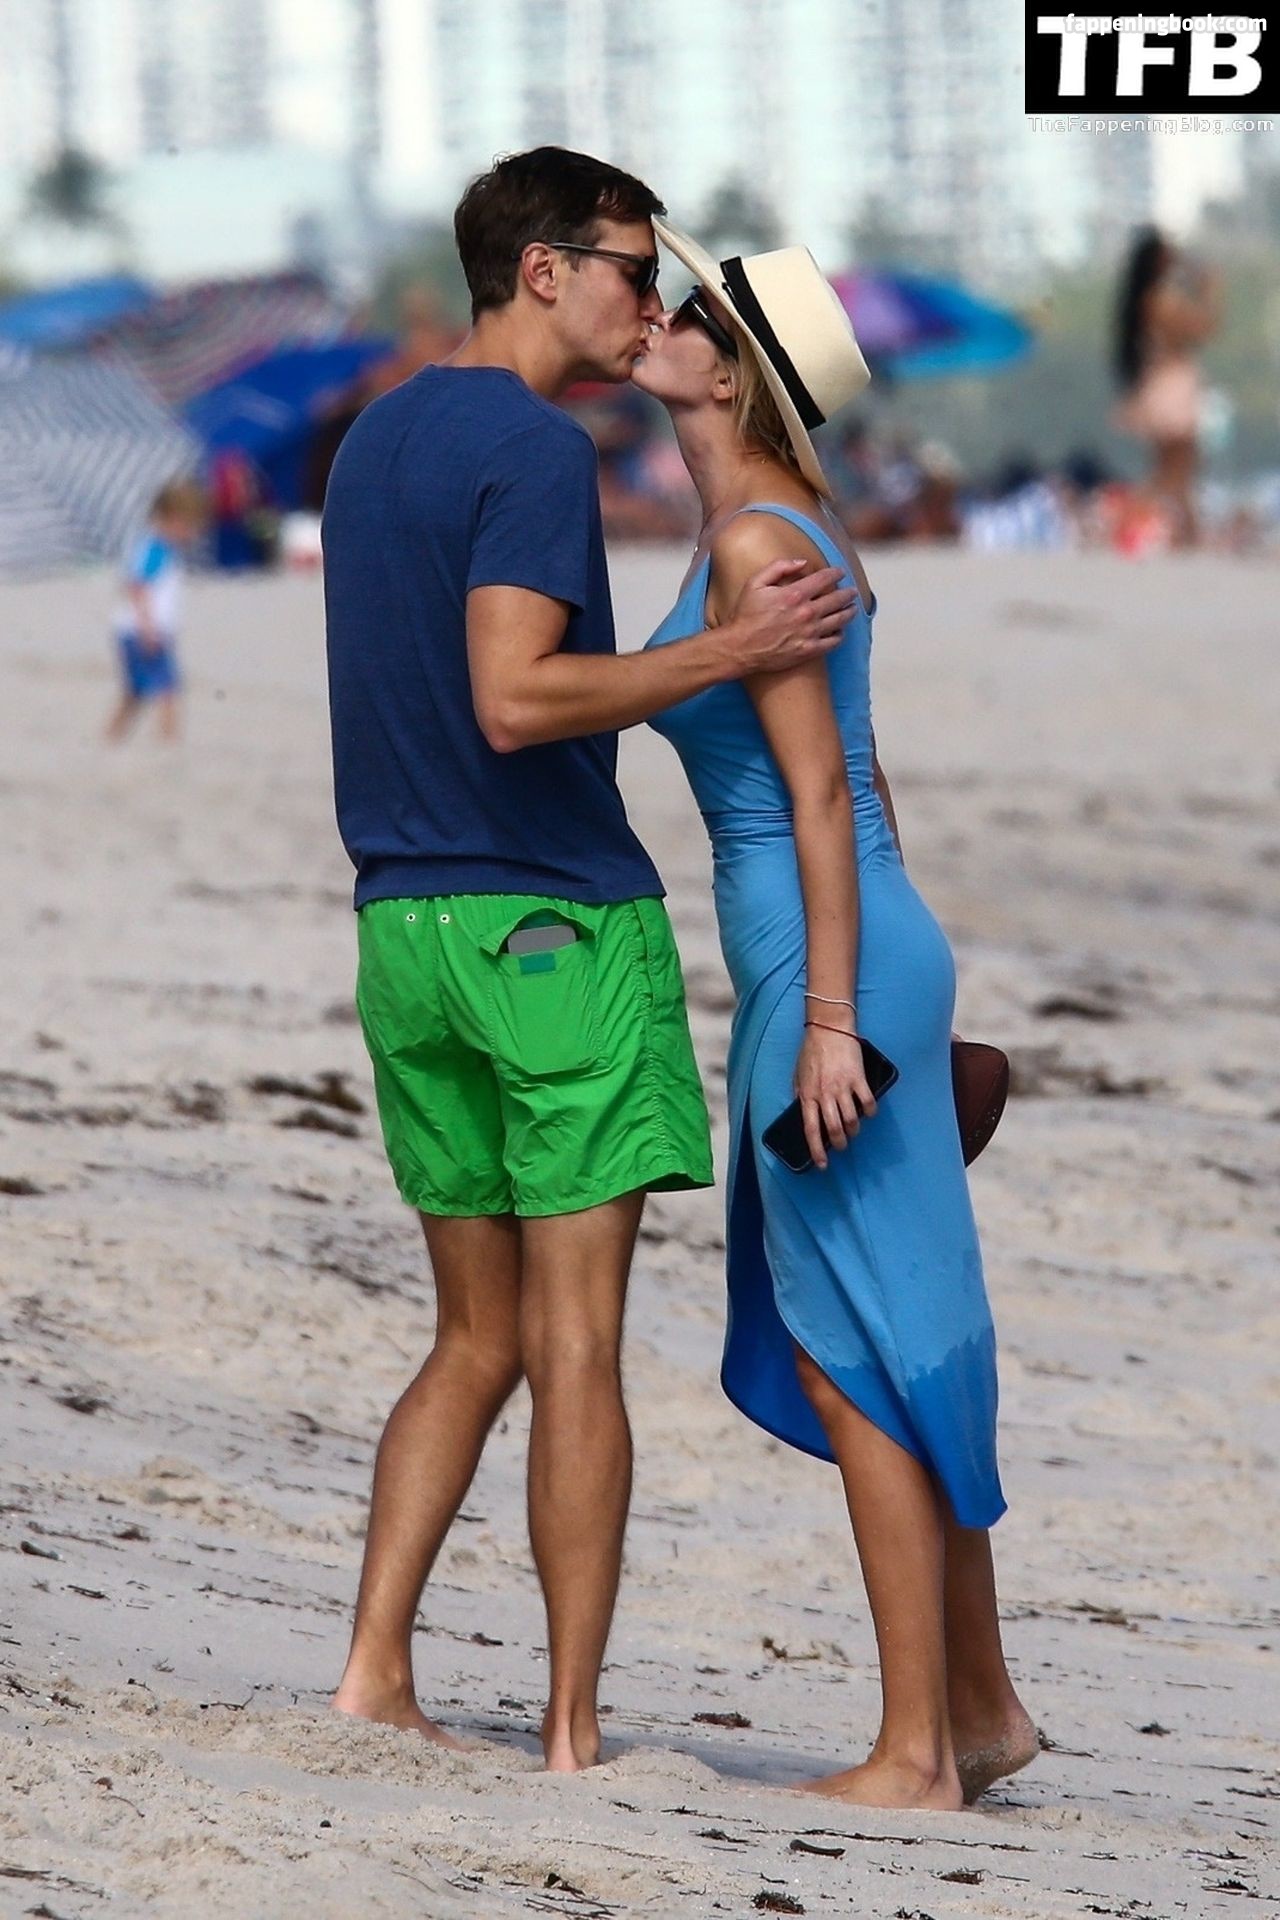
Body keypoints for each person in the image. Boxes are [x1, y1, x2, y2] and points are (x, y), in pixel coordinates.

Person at [320, 147, 856, 1773]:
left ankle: (372, 1672)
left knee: (472, 1338)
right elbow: (515, 697)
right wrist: (733, 648)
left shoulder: (377, 436)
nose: (651, 299)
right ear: (541, 270)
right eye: (634, 267)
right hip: (549, 926)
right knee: (572, 1349)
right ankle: (568, 1732)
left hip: (405, 931)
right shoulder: (535, 448)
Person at [631, 222, 1036, 1811]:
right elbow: (870, 780)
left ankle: (916, 1754)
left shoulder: (756, 545)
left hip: (827, 962)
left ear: (731, 371)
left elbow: (815, 793)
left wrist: (832, 1017)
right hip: (861, 943)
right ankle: (980, 1713)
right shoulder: (773, 526)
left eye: (688, 311)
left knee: (848, 1351)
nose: (659, 318)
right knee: (898, 1323)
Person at [1113, 226, 1221, 549]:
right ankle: (1129, 518)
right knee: (1177, 467)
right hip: (1173, 387)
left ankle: (1188, 534)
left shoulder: (1149, 297)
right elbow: (1203, 328)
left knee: (1178, 467)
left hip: (1165, 383)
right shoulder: (1160, 298)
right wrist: (1210, 291)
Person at [104, 478, 205, 744]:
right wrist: (147, 627)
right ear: (171, 519)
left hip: (135, 631)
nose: (193, 533)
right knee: (167, 689)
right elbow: (138, 587)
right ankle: (169, 742)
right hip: (143, 632)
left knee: (135, 692)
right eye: (189, 525)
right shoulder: (155, 549)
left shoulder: (160, 549)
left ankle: (111, 738)